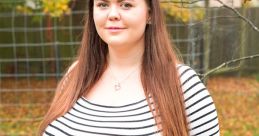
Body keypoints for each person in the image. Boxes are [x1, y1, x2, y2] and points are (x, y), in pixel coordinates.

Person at [39, 0, 220, 135]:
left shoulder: (183, 85)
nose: (113, 14)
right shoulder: (76, 74)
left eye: (126, 5)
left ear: (149, 13)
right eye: (102, 4)